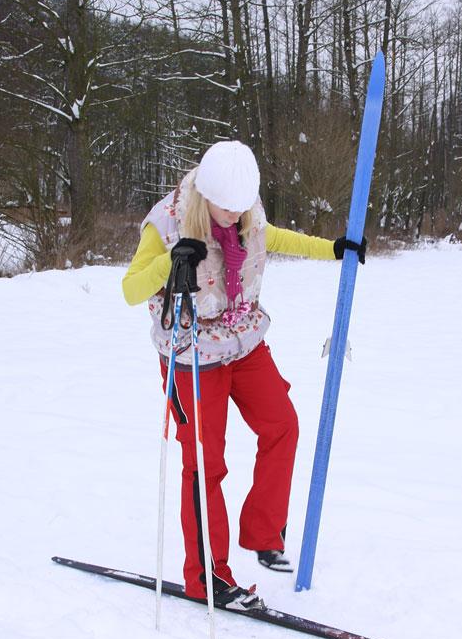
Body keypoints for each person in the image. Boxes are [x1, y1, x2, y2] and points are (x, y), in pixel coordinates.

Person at [122, 140, 366, 610]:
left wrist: (334, 249)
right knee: (204, 465)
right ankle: (208, 576)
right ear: (205, 193)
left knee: (282, 424)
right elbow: (131, 290)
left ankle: (263, 533)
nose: (235, 218)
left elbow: (271, 237)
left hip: (243, 341)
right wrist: (167, 262)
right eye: (226, 209)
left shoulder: (245, 211)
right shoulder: (168, 222)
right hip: (191, 356)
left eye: (242, 208)